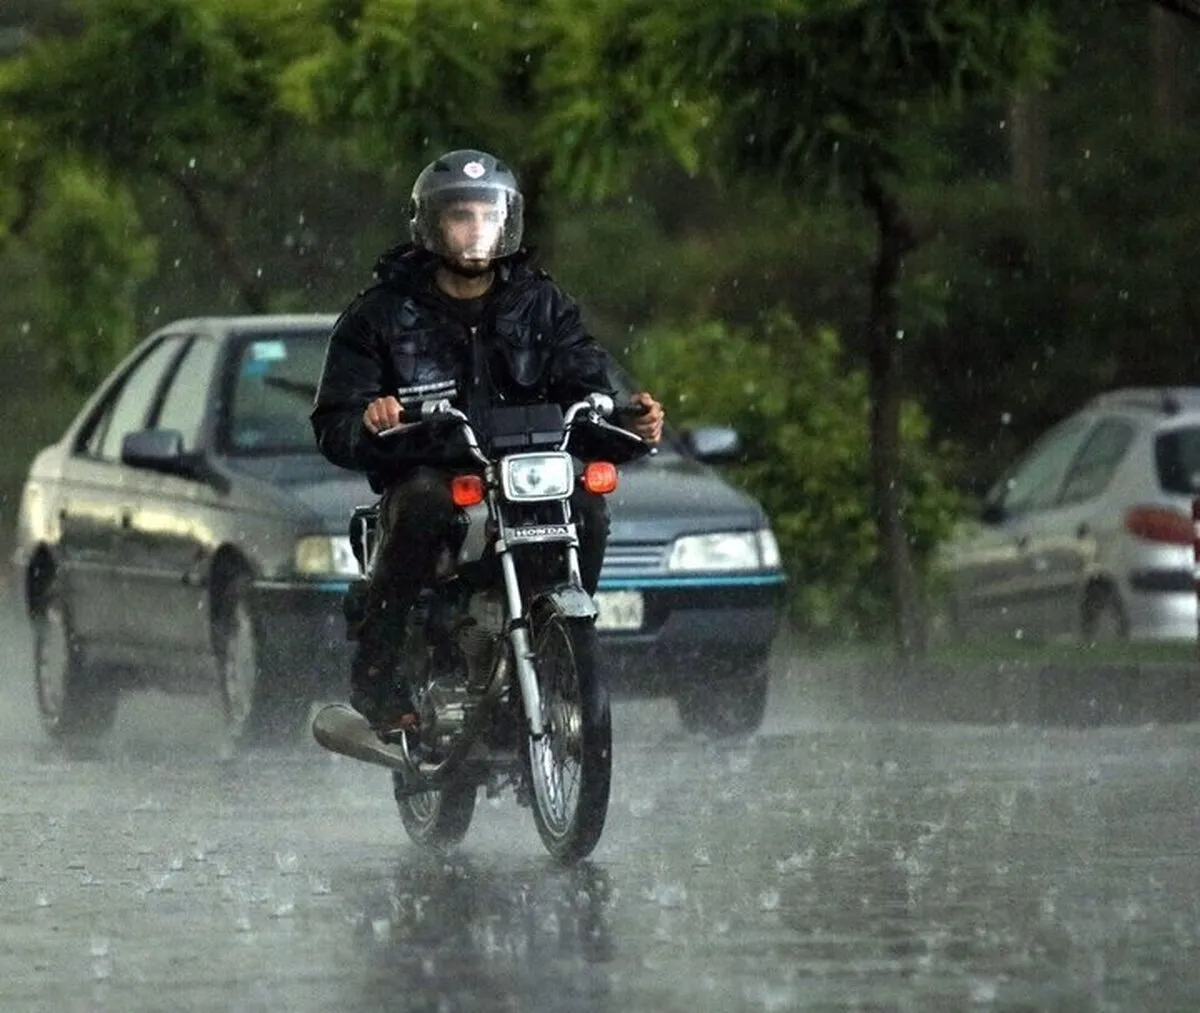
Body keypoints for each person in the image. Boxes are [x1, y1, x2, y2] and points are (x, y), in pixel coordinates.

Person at [310, 149, 664, 736]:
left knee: (588, 509)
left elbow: (587, 390)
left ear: (507, 223)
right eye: (460, 216)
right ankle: (379, 674)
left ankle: (561, 650)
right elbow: (334, 424)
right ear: (432, 225)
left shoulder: (543, 304)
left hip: (527, 469)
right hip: (437, 470)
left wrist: (631, 423)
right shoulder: (380, 314)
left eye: (487, 215)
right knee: (423, 502)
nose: (475, 230)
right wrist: (372, 419)